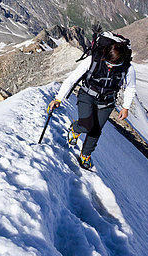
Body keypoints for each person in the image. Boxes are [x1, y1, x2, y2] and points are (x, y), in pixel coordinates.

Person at [48, 39, 136, 169]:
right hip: (87, 96)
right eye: (107, 62)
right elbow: (72, 79)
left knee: (96, 130)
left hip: (107, 102)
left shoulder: (127, 68)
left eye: (114, 64)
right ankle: (75, 128)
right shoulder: (93, 60)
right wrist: (58, 99)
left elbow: (130, 87)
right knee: (86, 125)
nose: (110, 66)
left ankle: (85, 155)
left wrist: (126, 107)